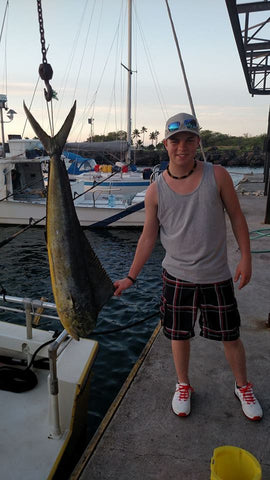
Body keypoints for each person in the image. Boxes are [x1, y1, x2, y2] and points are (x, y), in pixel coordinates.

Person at [114, 112, 263, 421]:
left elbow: (237, 217)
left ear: (197, 142)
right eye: (175, 141)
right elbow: (148, 237)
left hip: (216, 276)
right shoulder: (156, 190)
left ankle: (243, 386)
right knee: (178, 336)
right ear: (165, 145)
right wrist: (131, 276)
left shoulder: (217, 175)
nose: (182, 147)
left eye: (188, 140)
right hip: (176, 277)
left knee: (230, 336)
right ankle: (183, 385)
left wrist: (246, 256)